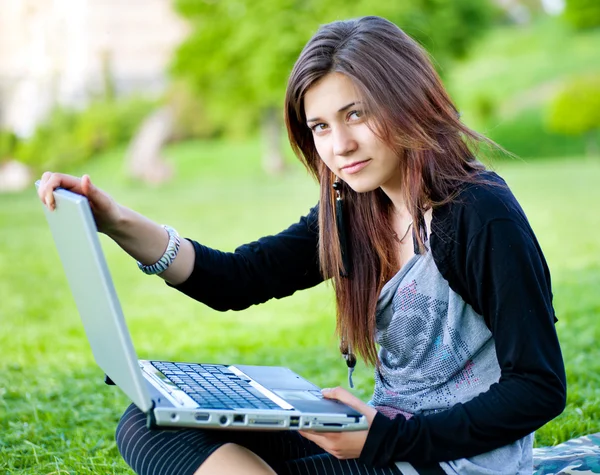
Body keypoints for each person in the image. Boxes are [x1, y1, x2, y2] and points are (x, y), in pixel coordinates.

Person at [37, 15, 566, 475]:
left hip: (446, 460)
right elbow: (237, 280)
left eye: (356, 114)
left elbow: (538, 387)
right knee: (150, 418)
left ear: (408, 99)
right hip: (381, 439)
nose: (340, 146)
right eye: (320, 126)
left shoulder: (478, 213)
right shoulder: (358, 208)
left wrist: (383, 439)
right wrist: (115, 219)